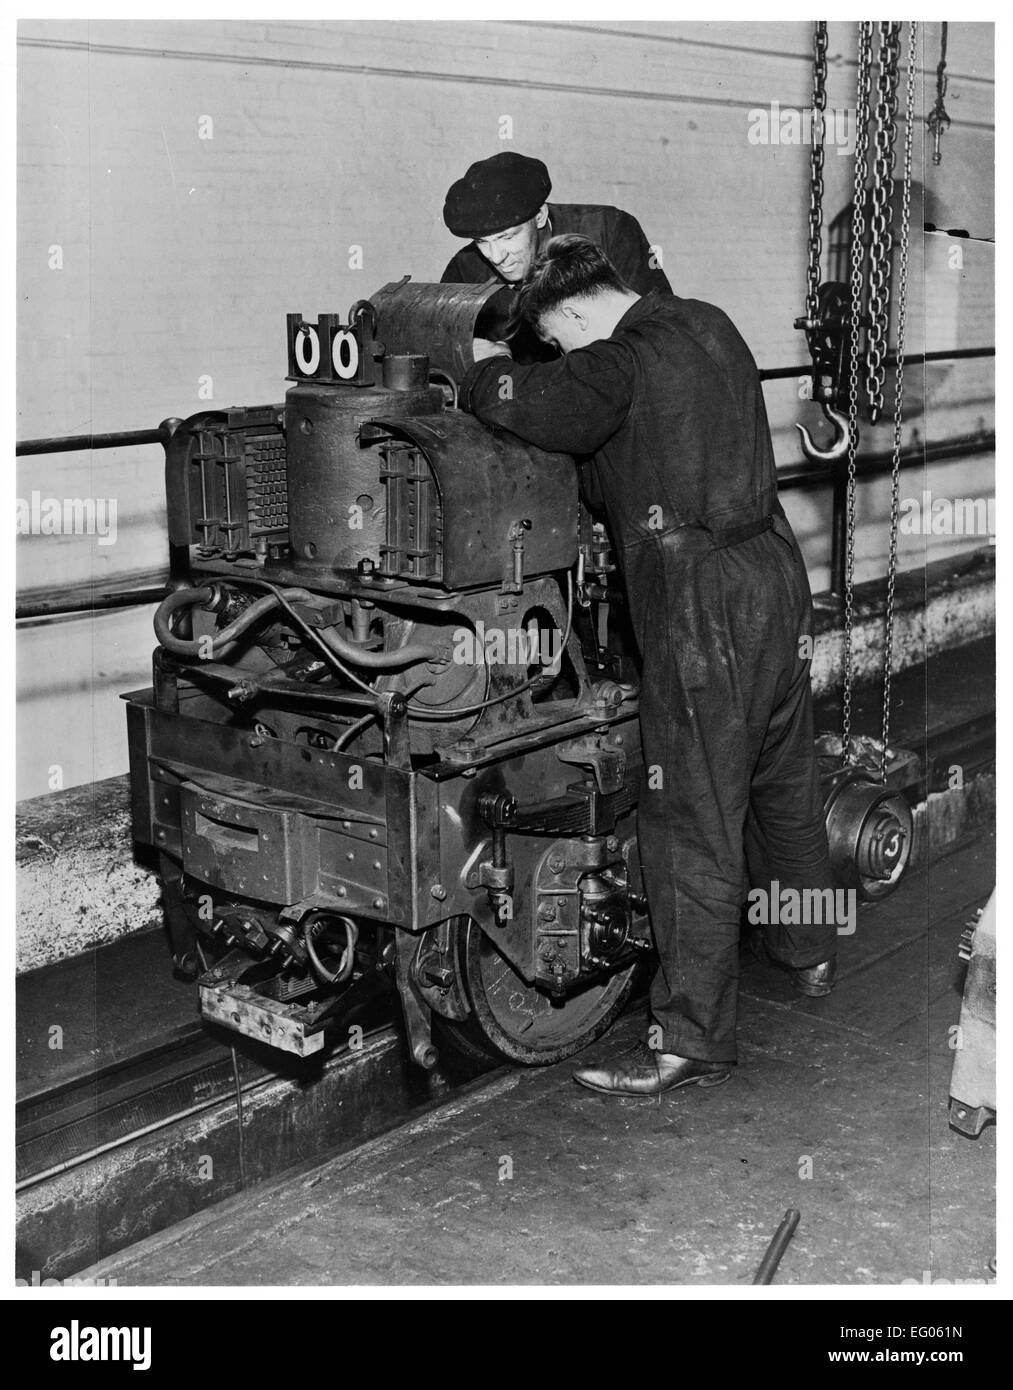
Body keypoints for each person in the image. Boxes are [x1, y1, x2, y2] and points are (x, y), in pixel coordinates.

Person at [460, 235, 838, 1098]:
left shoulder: (612, 362)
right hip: (774, 571)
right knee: (782, 780)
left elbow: (542, 404)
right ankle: (809, 949)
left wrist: (480, 370)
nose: (559, 354)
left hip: (702, 599)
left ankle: (692, 1039)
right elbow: (638, 452)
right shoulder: (708, 321)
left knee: (690, 812)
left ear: (569, 314)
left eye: (554, 340)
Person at [441, 152, 671, 356]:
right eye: (482, 242)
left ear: (540, 216)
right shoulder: (465, 267)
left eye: (507, 237)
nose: (496, 256)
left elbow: (661, 326)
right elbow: (441, 347)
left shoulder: (609, 231)